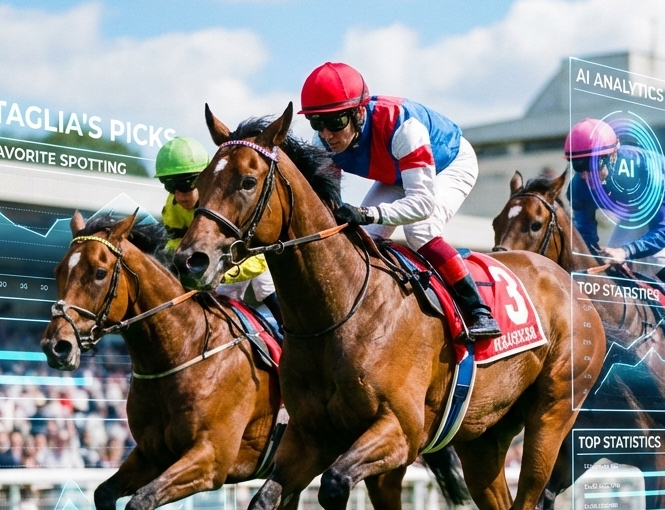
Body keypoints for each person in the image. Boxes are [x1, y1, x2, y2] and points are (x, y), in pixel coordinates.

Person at [298, 62, 500, 339]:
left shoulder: (403, 127)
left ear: (359, 112)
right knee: (363, 240)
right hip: (396, 173)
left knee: (420, 230)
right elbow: (328, 205)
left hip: (449, 164)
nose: (326, 134)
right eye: (317, 122)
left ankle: (479, 311)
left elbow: (421, 205)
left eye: (335, 122)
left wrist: (366, 213)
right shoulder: (321, 143)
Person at [565, 117, 665, 355]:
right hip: (635, 207)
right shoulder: (578, 187)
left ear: (613, 156)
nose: (587, 177)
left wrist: (626, 251)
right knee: (610, 266)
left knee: (659, 259)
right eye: (579, 168)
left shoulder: (646, 173)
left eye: (593, 167)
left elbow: (663, 233)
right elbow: (587, 239)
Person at [155, 136, 283, 325]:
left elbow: (257, 261)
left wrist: (220, 270)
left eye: (187, 184)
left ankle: (285, 328)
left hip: (245, 258)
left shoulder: (226, 200)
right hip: (213, 259)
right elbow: (174, 242)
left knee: (264, 286)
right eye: (170, 186)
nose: (179, 195)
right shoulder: (172, 207)